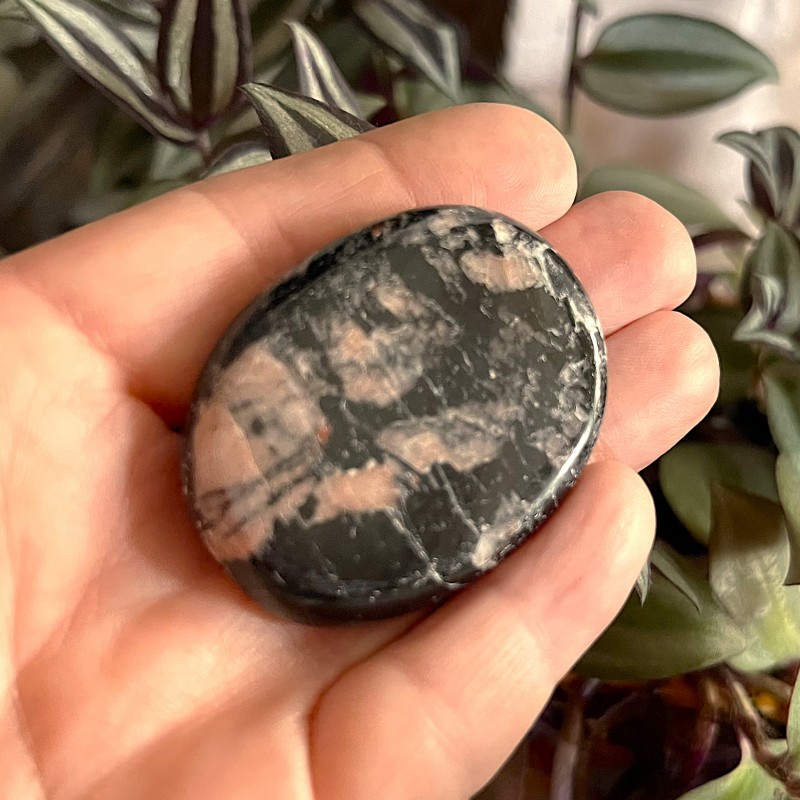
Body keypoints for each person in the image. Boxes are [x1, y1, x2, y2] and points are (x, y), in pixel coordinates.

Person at [0, 104, 718, 798]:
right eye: (384, 324)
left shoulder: (451, 420)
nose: (370, 342)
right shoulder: (295, 415)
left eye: (394, 332)